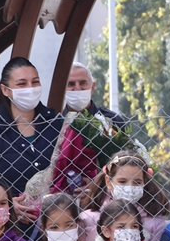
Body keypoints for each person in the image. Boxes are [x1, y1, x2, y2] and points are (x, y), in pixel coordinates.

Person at [0, 57, 63, 222]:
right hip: (10, 232)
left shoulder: (59, 126)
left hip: (58, 224)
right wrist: (5, 205)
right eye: (22, 84)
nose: (30, 88)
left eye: (35, 82)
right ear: (5, 90)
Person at [52, 62, 132, 194]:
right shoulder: (54, 124)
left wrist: (98, 184)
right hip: (60, 199)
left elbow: (125, 163)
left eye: (83, 83)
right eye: (70, 84)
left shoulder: (113, 121)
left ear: (92, 87)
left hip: (106, 197)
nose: (77, 88)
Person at [77, 150, 169, 241]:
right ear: (108, 181)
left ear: (144, 183)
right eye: (122, 181)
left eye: (137, 182)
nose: (130, 187)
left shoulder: (154, 223)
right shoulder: (88, 218)